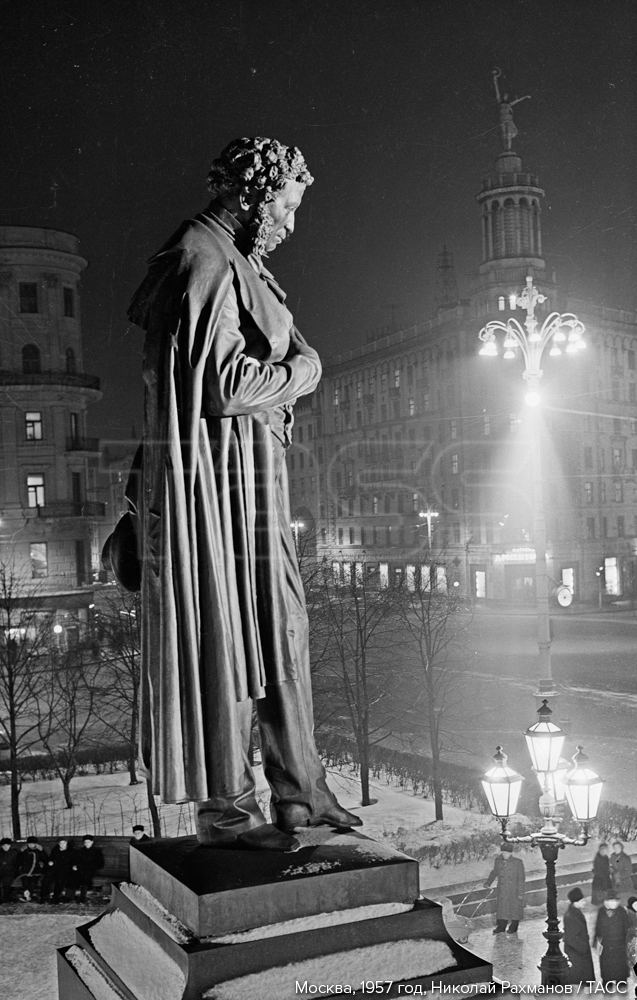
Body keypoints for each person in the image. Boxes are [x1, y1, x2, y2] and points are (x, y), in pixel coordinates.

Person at [124, 136, 362, 854]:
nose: (290, 221)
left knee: (279, 626)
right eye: (286, 205)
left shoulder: (236, 259)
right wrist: (304, 374)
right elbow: (223, 385)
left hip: (248, 482)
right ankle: (228, 811)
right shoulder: (201, 257)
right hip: (217, 494)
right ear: (254, 194)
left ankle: (301, 793)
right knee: (224, 637)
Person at [484, 842, 525, 933]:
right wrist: (488, 882)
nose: (504, 855)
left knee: (515, 909)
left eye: (506, 853)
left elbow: (521, 879)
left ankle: (514, 927)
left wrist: (520, 893)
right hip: (502, 889)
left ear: (511, 853)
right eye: (503, 853)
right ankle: (501, 927)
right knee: (502, 909)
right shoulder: (498, 861)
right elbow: (494, 872)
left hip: (514, 890)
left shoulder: (517, 862)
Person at [592, 890, 630, 988]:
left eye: (615, 901)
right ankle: (607, 984)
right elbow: (598, 928)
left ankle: (621, 984)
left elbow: (627, 928)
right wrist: (596, 942)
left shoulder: (622, 911)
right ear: (606, 901)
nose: (614, 903)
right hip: (606, 946)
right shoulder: (601, 911)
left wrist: (628, 943)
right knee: (607, 969)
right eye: (611, 900)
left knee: (620, 969)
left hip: (619, 945)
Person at [563, 886, 595, 986]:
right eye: (582, 901)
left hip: (579, 950)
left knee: (582, 976)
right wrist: (583, 948)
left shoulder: (574, 912)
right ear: (575, 902)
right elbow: (571, 938)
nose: (584, 902)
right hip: (577, 951)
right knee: (579, 978)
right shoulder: (571, 916)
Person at [41, 837, 75, 904]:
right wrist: (50, 862)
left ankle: (55, 898)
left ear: (66, 843)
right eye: (60, 843)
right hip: (54, 868)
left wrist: (73, 866)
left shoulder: (71, 851)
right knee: (46, 879)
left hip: (65, 869)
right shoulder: (55, 849)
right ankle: (44, 897)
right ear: (58, 844)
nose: (62, 845)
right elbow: (51, 858)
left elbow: (73, 861)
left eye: (64, 843)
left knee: (60, 881)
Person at [71, 835, 104, 902]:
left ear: (92, 842)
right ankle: (70, 896)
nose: (86, 843)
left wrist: (89, 866)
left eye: (88, 842)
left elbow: (100, 864)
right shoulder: (80, 851)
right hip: (81, 869)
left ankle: (82, 897)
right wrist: (74, 866)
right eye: (85, 842)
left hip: (92, 870)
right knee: (72, 875)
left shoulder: (97, 851)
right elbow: (76, 860)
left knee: (85, 876)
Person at [18, 836, 47, 902]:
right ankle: (27, 896)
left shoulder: (39, 850)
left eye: (33, 843)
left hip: (36, 870)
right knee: (25, 881)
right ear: (27, 844)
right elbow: (19, 860)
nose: (31, 845)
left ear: (36, 844)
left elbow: (45, 859)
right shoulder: (24, 850)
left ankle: (27, 896)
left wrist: (42, 851)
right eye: (30, 843)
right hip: (25, 870)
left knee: (33, 882)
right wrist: (21, 852)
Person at [0, 837, 19, 903]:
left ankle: (6, 898)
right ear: (1, 846)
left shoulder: (14, 853)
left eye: (7, 845)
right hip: (1, 871)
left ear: (10, 845)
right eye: (4, 845)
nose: (5, 847)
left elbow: (17, 864)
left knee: (6, 883)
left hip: (10, 872)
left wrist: (15, 872)